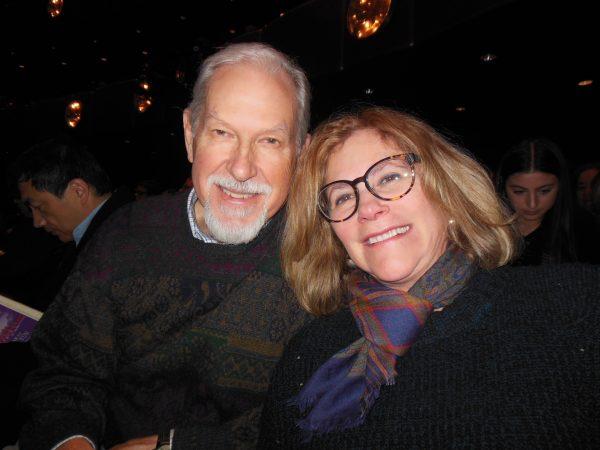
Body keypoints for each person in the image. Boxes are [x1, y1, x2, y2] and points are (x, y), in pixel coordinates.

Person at [18, 42, 311, 450]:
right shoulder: (126, 235)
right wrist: (73, 441)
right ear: (191, 135)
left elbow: (319, 416)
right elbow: (65, 372)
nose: (242, 168)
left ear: (301, 153)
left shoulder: (320, 259)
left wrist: (174, 445)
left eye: (270, 141)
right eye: (222, 133)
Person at [257, 107, 600, 448]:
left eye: (389, 178)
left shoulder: (576, 309)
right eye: (344, 196)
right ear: (334, 234)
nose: (368, 208)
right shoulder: (309, 355)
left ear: (446, 190)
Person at [10, 137, 135, 310]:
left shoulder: (117, 247)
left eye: (39, 207)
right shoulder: (108, 231)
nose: (37, 222)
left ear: (78, 191)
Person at [495, 137, 577, 265]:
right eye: (519, 191)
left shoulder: (583, 236)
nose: (532, 203)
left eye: (544, 191)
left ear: (561, 186)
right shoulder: (486, 235)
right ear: (502, 187)